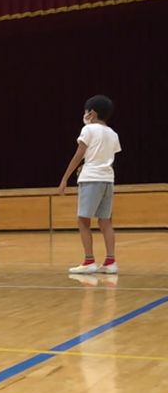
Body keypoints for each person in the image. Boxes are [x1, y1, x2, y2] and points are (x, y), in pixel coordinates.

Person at [58, 95, 121, 274]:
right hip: (108, 179)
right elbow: (106, 156)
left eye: (86, 112)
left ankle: (89, 261)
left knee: (83, 220)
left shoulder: (88, 129)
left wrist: (65, 178)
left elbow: (79, 154)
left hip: (91, 178)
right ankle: (110, 262)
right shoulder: (113, 133)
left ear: (91, 113)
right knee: (106, 221)